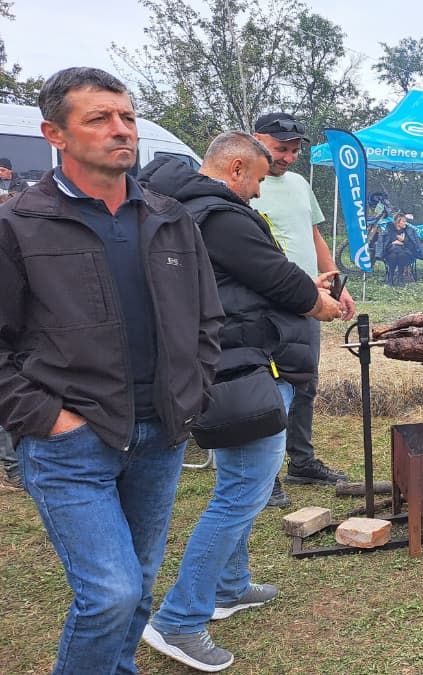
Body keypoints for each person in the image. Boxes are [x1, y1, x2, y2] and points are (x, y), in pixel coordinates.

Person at [0, 66, 223, 674]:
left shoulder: (169, 217)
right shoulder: (19, 224)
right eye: (99, 118)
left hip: (160, 435)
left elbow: (207, 318)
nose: (121, 130)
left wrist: (193, 390)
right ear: (56, 134)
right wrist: (48, 419)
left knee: (140, 587)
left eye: (126, 116)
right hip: (74, 441)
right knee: (110, 593)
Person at [139, 132, 342, 672]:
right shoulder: (220, 214)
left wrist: (305, 286)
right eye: (254, 180)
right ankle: (178, 620)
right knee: (243, 488)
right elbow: (274, 277)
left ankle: (228, 586)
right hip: (238, 360)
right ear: (234, 169)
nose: (256, 192)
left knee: (238, 480)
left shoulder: (184, 207)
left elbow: (251, 279)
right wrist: (314, 298)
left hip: (223, 359)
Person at [251, 112, 354, 507]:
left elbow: (312, 235)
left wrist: (335, 282)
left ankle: (302, 460)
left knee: (305, 383)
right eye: (281, 149)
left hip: (310, 303)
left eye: (294, 151)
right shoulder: (245, 186)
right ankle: (267, 474)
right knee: (269, 391)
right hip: (267, 305)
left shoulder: (298, 184)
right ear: (255, 138)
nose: (289, 158)